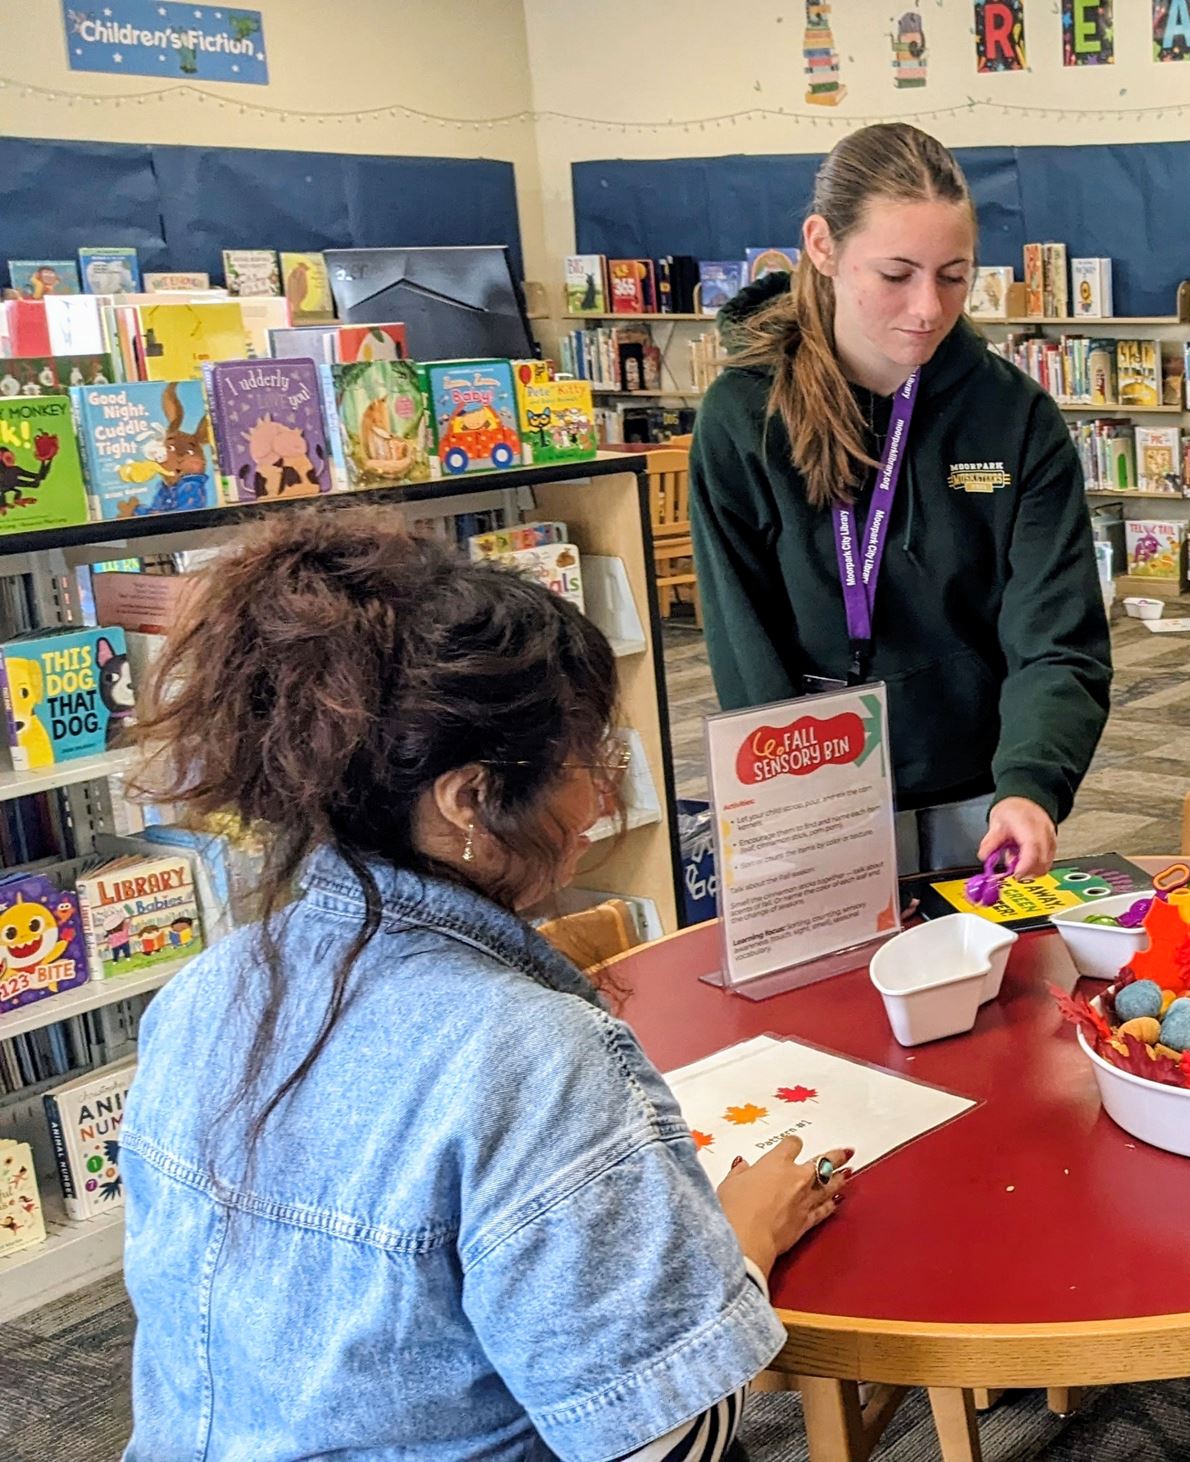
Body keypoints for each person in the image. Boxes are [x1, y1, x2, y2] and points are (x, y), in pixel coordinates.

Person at [120, 512, 851, 1461]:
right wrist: (742, 1242)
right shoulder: (531, 1053)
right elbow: (673, 1441)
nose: (599, 801)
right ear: (468, 799)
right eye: (588, 763)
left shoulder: (205, 992)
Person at [692, 121, 1111, 878]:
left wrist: (1032, 787)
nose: (927, 307)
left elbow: (1056, 635)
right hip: (812, 803)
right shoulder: (743, 416)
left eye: (954, 275)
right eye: (896, 274)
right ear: (822, 245)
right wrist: (799, 808)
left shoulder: (1013, 417)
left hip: (978, 802)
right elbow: (742, 639)